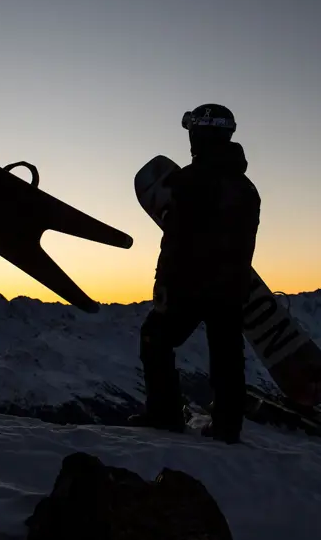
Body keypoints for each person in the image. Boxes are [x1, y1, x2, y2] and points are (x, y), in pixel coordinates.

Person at [129, 104, 261, 443]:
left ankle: (164, 414)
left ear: (199, 135)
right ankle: (228, 426)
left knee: (154, 338)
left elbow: (177, 238)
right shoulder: (247, 189)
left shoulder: (190, 180)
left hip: (190, 283)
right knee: (227, 354)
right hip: (231, 286)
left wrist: (163, 281)